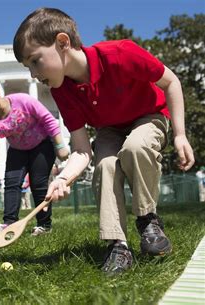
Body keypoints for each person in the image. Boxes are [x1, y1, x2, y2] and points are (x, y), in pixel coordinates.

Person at [13, 7, 195, 274]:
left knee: (135, 147)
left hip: (149, 116)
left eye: (35, 61)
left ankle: (147, 220)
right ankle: (118, 245)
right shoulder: (61, 90)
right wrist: (63, 178)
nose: (32, 74)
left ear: (63, 42)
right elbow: (82, 150)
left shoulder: (120, 53)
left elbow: (171, 83)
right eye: (27, 66)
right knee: (105, 166)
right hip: (109, 128)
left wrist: (180, 134)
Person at [0, 70, 69, 237]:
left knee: (39, 184)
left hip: (41, 146)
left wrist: (60, 146)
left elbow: (48, 120)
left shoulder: (22, 101)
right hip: (17, 150)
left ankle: (44, 225)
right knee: (11, 183)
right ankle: (9, 223)